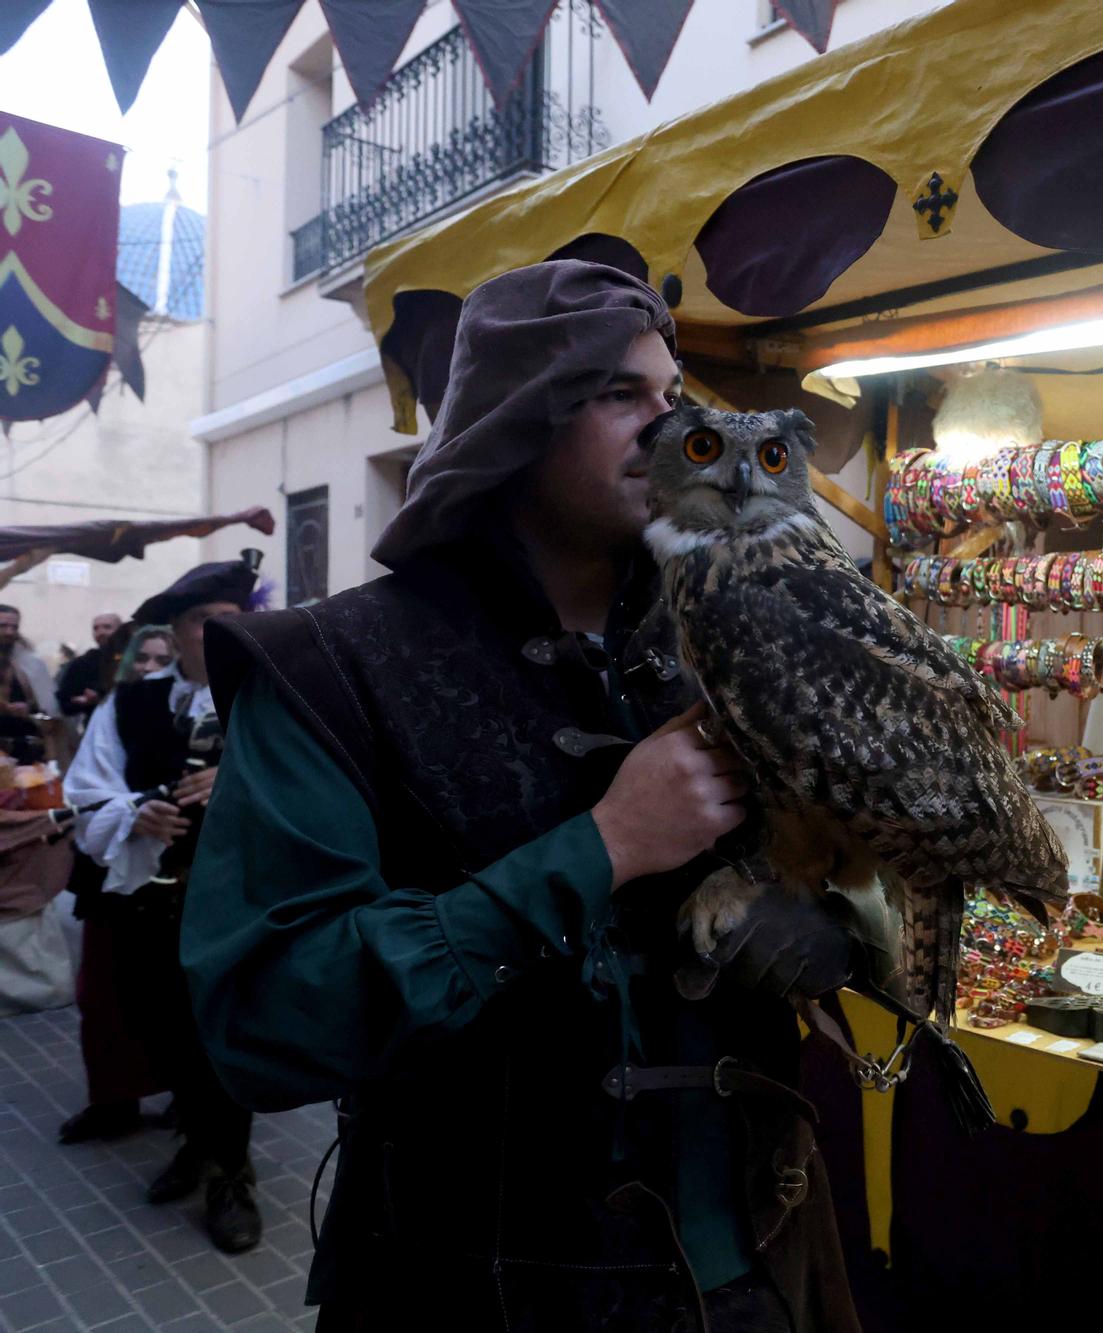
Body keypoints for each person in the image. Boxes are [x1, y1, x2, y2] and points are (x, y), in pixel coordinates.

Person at [183, 260, 860, 1331]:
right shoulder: (333, 669)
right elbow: (261, 1019)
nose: (669, 425)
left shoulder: (725, 643)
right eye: (619, 394)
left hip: (750, 1272)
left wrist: (836, 921)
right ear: (513, 422)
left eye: (673, 394)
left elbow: (869, 853)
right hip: (471, 1291)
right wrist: (598, 847)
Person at [67, 567, 262, 1253]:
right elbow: (88, 788)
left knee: (224, 1035)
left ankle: (232, 1175)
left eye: (234, 614)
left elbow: (316, 785)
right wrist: (133, 813)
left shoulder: (269, 694)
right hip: (153, 899)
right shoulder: (128, 702)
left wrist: (238, 778)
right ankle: (196, 1144)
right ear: (175, 631)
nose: (221, 628)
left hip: (240, 897)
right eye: (205, 616)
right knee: (169, 1028)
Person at [56, 625, 178, 1145]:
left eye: (161, 658)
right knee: (103, 991)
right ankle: (113, 1101)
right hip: (111, 869)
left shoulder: (199, 709)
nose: (151, 666)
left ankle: (186, 1096)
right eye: (143, 658)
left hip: (175, 875)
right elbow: (86, 788)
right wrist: (130, 812)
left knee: (173, 995)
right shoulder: (117, 708)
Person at [0, 603, 57, 760]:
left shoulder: (32, 664)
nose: (9, 632)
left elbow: (49, 709)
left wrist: (29, 708)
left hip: (23, 746)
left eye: (14, 627)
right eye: (3, 626)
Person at [57, 610, 123, 722]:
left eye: (107, 627)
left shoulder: (135, 659)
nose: (101, 632)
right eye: (96, 628)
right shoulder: (83, 663)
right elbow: (65, 703)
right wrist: (85, 702)